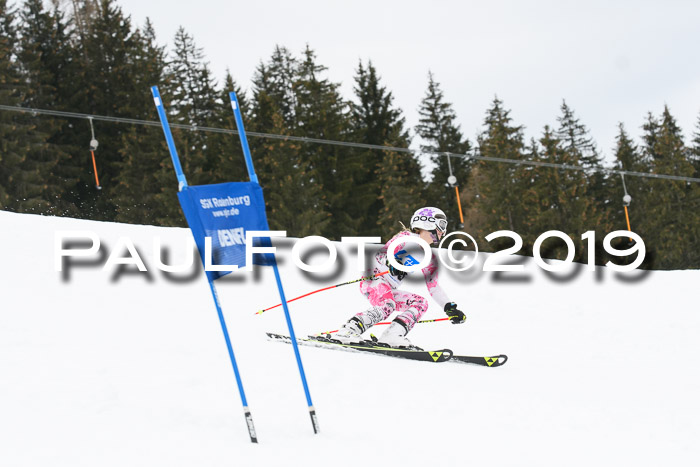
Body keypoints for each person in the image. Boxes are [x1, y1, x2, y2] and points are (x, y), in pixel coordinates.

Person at [332, 207, 466, 348]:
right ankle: (348, 330)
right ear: (428, 222)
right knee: (387, 305)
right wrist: (391, 262)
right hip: (374, 279)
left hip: (389, 288)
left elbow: (433, 286)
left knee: (420, 303)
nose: (443, 231)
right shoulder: (406, 238)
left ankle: (392, 335)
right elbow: (381, 255)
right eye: (442, 225)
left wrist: (449, 308)